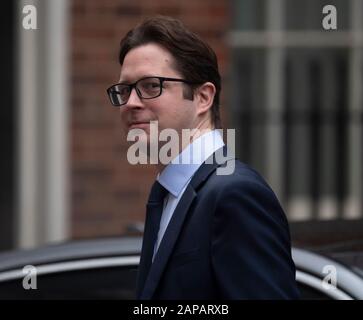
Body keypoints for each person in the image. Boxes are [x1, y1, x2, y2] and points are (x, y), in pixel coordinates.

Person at [107, 16, 300, 299]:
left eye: (150, 86)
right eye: (125, 89)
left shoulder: (235, 193)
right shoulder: (169, 192)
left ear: (203, 98)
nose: (132, 103)